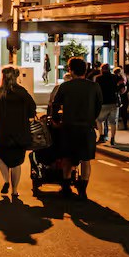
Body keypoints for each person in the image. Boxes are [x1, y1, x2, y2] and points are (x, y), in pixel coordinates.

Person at [48, 58, 103, 197]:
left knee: (67, 157)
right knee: (86, 160)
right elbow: (98, 106)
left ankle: (66, 186)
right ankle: (83, 188)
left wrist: (55, 120)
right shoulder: (94, 87)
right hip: (86, 127)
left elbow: (55, 104)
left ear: (71, 70)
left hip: (69, 127)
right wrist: (92, 118)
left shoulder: (65, 86)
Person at [0, 65, 37, 200]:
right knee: (16, 163)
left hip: (1, 132)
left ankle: (5, 180)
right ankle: (15, 190)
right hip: (19, 132)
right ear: (16, 77)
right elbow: (32, 109)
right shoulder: (22, 92)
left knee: (1, 157)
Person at [94, 63, 121, 146]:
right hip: (113, 102)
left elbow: (96, 90)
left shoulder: (98, 78)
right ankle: (112, 139)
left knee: (99, 120)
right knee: (113, 122)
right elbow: (122, 87)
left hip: (103, 102)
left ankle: (101, 136)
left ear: (102, 69)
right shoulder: (115, 77)